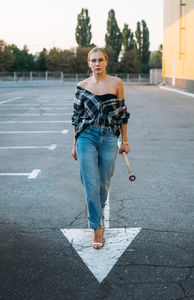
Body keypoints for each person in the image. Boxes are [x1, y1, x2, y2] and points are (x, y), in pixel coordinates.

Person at [71, 47, 130, 249]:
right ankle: (97, 227)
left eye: (101, 60)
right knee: (90, 183)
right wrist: (74, 145)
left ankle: (98, 210)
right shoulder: (81, 86)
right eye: (93, 60)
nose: (97, 63)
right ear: (89, 63)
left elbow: (122, 114)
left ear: (106, 62)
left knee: (104, 182)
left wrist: (126, 141)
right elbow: (76, 118)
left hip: (109, 137)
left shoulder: (116, 83)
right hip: (85, 137)